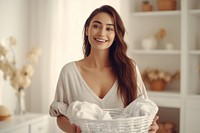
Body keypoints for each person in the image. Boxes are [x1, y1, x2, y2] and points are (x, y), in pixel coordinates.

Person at [49, 5, 159, 133]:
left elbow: (143, 110)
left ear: (115, 34)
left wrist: (152, 127)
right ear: (86, 30)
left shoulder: (130, 69)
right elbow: (60, 115)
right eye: (96, 26)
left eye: (109, 29)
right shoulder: (69, 72)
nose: (102, 33)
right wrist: (73, 130)